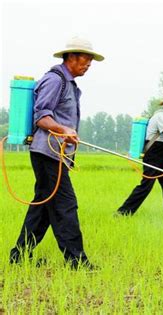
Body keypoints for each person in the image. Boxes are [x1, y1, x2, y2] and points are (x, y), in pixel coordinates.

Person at [9, 37, 104, 269]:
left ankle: (19, 257)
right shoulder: (55, 80)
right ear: (71, 56)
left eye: (91, 58)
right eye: (86, 57)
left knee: (42, 207)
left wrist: (66, 131)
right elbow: (41, 116)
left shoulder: (69, 83)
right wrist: (63, 129)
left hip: (55, 154)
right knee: (65, 205)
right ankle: (77, 262)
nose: (89, 63)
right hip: (47, 153)